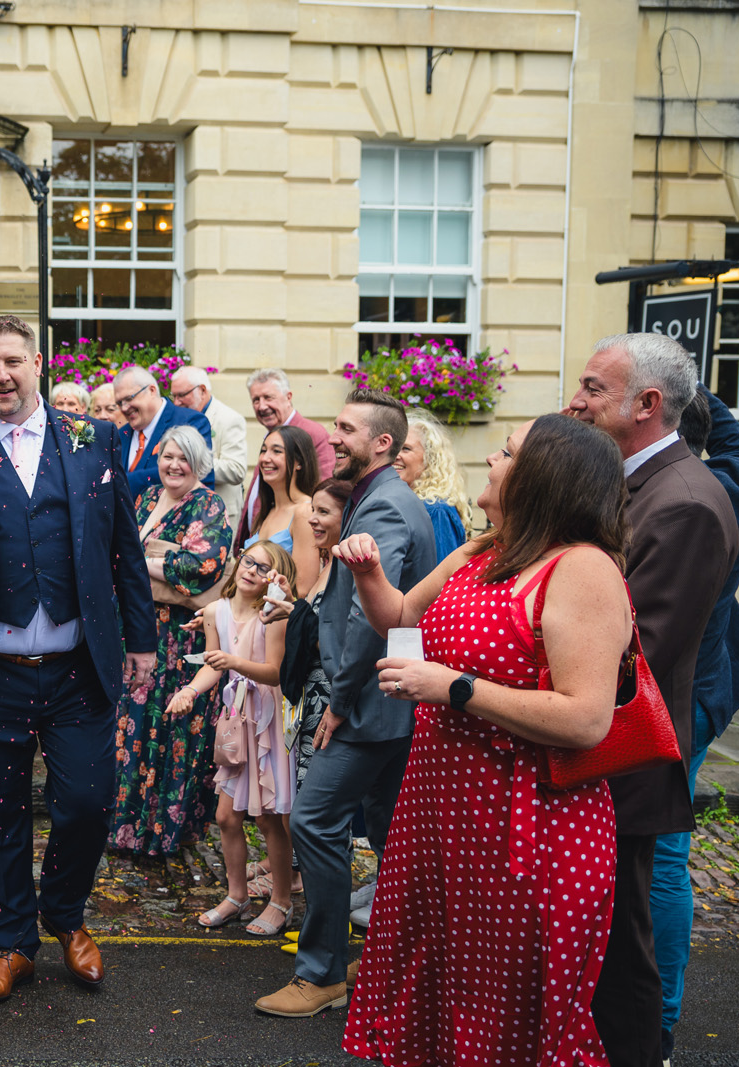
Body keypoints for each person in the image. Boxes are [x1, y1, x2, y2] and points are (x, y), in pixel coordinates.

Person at [336, 414, 633, 1066]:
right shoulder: (483, 549)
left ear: (543, 478)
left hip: (525, 821)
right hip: (445, 809)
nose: (492, 461)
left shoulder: (583, 570)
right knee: (441, 981)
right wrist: (368, 573)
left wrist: (455, 687)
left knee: (505, 1003)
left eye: (505, 452)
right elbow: (400, 617)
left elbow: (587, 718)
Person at [0, 315, 156, 1004]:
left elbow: (123, 551)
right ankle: (12, 942)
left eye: (13, 361)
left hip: (80, 667)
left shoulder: (94, 437)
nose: (1, 375)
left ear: (38, 362)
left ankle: (66, 915)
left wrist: (142, 642)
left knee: (86, 801)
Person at [566, 333, 737, 1067]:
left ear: (648, 403)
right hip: (598, 752)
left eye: (593, 389)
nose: (576, 400)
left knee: (619, 948)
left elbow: (640, 651)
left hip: (624, 760)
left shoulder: (688, 502)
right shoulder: (630, 483)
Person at [256, 388, 436, 1018]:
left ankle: (323, 971)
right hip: (388, 702)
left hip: (367, 702)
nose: (333, 438)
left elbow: (368, 619)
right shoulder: (381, 499)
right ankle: (397, 961)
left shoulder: (384, 507)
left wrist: (338, 701)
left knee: (313, 820)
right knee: (391, 832)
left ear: (381, 443)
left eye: (346, 429)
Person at [652, 387, 739, 1057]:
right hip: (710, 685)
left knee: (662, 853)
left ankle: (660, 1012)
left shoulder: (690, 499)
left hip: (684, 696)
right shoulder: (731, 479)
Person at [109, 424, 231, 858]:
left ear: (198, 462)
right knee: (131, 727)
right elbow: (118, 551)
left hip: (180, 639)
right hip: (137, 629)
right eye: (167, 456)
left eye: (184, 458)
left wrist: (144, 561)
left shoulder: (208, 504)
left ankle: (161, 833)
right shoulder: (144, 499)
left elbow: (203, 566)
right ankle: (125, 827)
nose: (174, 465)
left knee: (169, 730)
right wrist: (154, 558)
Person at [177, 539, 297, 936]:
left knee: (267, 819)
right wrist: (191, 691)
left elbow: (274, 673)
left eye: (264, 568)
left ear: (274, 579)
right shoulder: (215, 611)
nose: (252, 571)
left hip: (266, 722)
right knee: (226, 815)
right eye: (249, 562)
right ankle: (237, 895)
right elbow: (212, 666)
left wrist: (234, 662)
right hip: (236, 720)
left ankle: (281, 900)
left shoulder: (273, 615)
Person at [276, 479, 352, 796]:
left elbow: (342, 643)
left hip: (329, 701)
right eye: (312, 510)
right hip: (310, 698)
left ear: (348, 515)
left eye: (323, 511)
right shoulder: (327, 559)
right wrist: (290, 603)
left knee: (314, 810)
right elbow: (317, 623)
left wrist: (299, 620)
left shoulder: (348, 567)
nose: (312, 519)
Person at [241, 368, 335, 532]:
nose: (262, 406)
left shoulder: (312, 433)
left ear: (288, 397)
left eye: (268, 397)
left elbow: (326, 491)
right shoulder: (271, 434)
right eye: (256, 400)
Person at [237, 425, 321, 591]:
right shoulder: (267, 511)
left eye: (276, 451)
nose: (265, 458)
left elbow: (303, 590)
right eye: (263, 450)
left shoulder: (305, 512)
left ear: (299, 462)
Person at [114, 365, 214, 504]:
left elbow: (198, 474)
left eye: (129, 399)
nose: (124, 408)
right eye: (119, 403)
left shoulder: (189, 421)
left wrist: (118, 482)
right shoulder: (121, 435)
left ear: (152, 390)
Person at [169, 366, 248, 518]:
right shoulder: (179, 417)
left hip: (218, 513)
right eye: (173, 396)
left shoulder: (229, 419)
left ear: (202, 390)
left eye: (181, 395)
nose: (176, 403)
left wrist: (192, 463)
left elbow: (236, 469)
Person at [393, 407, 471, 558]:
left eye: (406, 449)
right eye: (394, 448)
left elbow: (443, 574)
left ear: (430, 458)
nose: (395, 455)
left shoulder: (435, 510)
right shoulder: (401, 502)